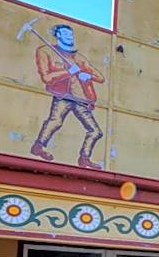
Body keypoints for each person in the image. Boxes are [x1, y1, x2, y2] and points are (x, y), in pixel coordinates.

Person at [30, 24, 106, 169]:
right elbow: (46, 77)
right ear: (57, 35)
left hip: (82, 99)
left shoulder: (79, 58)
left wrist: (87, 75)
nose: (70, 37)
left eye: (71, 34)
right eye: (66, 34)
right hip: (62, 96)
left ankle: (84, 158)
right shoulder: (46, 51)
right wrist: (68, 72)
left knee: (96, 131)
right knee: (55, 122)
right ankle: (38, 146)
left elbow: (100, 78)